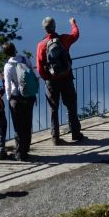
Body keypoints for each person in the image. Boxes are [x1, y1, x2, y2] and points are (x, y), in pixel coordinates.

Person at [36, 16, 85, 144]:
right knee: (71, 105)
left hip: (52, 81)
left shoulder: (41, 45)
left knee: (53, 109)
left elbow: (40, 68)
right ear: (55, 27)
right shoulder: (63, 39)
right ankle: (75, 133)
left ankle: (55, 137)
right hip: (66, 78)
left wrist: (48, 79)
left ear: (44, 29)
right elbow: (75, 35)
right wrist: (73, 23)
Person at [2, 41, 36, 161]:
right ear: (15, 49)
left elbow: (7, 86)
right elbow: (32, 73)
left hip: (16, 98)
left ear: (6, 54)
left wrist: (9, 98)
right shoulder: (25, 59)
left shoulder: (8, 66)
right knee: (27, 124)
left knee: (18, 126)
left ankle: (20, 154)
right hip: (29, 96)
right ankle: (26, 149)